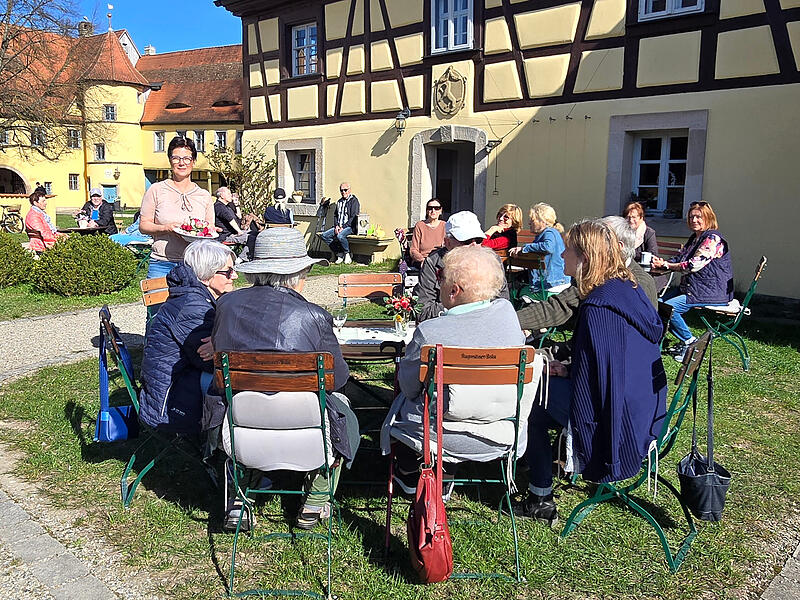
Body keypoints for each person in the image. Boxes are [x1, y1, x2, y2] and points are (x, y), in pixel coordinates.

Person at [514, 220, 667, 524]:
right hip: (643, 402)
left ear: (585, 256)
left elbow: (604, 378)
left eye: (568, 249)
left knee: (531, 401)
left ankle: (540, 499)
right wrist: (570, 369)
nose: (561, 255)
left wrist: (568, 377)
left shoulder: (600, 305)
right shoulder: (624, 287)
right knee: (543, 386)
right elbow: (609, 361)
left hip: (620, 416)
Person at [209, 227, 359, 530]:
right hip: (306, 425)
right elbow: (338, 379)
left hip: (239, 423)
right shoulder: (314, 316)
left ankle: (239, 499)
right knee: (346, 415)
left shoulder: (226, 305)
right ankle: (316, 500)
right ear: (298, 274)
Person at [381, 245, 543, 499]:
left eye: (441, 278)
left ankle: (412, 471)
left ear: (454, 290)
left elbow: (410, 387)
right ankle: (443, 475)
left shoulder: (431, 332)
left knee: (407, 399)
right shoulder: (509, 318)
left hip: (437, 436)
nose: (439, 283)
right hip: (501, 434)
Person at [139, 240, 237, 435]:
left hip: (179, 380)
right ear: (207, 275)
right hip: (171, 402)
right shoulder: (192, 306)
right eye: (228, 271)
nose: (234, 276)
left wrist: (220, 340)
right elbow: (213, 363)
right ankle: (223, 440)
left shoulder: (195, 296)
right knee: (238, 380)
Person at [516, 216, 658, 334]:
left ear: (617, 247)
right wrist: (510, 320)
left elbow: (617, 343)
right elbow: (559, 306)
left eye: (597, 238)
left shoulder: (637, 284)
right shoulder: (594, 273)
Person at [653, 201, 733, 361]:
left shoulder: (712, 238)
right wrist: (662, 263)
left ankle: (690, 343)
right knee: (657, 303)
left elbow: (693, 265)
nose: (694, 220)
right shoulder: (695, 238)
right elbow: (680, 258)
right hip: (692, 288)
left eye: (698, 217)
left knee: (670, 308)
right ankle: (679, 341)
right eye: (691, 217)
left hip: (709, 291)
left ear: (708, 218)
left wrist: (668, 266)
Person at [139, 136, 215, 278]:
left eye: (187, 158)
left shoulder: (204, 195)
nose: (181, 163)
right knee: (158, 294)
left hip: (195, 265)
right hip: (162, 264)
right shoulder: (156, 190)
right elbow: (143, 225)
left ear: (193, 161)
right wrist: (165, 228)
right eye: (176, 158)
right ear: (170, 160)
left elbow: (209, 228)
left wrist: (210, 231)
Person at [415, 211, 510, 323]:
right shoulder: (433, 262)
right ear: (447, 242)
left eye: (479, 240)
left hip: (484, 325)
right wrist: (468, 306)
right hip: (448, 326)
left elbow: (502, 304)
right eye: (467, 241)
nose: (474, 245)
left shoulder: (492, 261)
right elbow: (423, 311)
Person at [510, 203, 569, 295]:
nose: (529, 223)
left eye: (532, 220)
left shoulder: (549, 232)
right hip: (551, 283)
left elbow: (548, 247)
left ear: (543, 221)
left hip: (552, 285)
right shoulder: (546, 234)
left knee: (516, 293)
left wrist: (525, 248)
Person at [319, 181, 359, 264]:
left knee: (340, 236)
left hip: (350, 227)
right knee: (324, 235)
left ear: (349, 190)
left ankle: (347, 254)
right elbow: (335, 215)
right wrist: (336, 226)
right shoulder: (339, 202)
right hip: (339, 226)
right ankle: (339, 253)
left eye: (345, 190)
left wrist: (343, 227)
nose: (343, 192)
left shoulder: (354, 201)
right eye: (341, 190)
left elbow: (353, 217)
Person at [408, 198, 446, 267]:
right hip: (423, 261)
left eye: (436, 208)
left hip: (440, 261)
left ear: (440, 211)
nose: (433, 210)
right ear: (427, 211)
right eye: (430, 208)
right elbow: (413, 250)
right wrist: (423, 260)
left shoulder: (445, 225)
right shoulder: (420, 225)